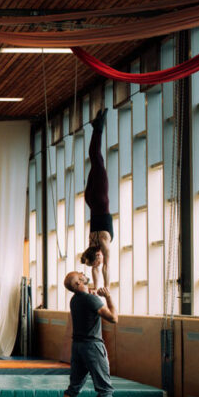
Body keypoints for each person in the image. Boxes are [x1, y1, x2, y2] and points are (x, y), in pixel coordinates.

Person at [55, 271, 119, 397]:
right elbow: (113, 318)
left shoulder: (75, 300)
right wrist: (109, 297)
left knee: (74, 387)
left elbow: (88, 304)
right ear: (77, 284)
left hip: (77, 347)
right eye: (79, 275)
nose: (83, 274)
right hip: (92, 346)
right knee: (105, 388)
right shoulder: (91, 299)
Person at [80, 109, 112, 291]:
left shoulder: (103, 243)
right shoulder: (91, 243)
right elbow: (96, 268)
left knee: (96, 157)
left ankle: (98, 127)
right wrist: (97, 287)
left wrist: (105, 287)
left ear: (97, 256)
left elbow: (104, 267)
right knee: (94, 159)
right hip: (91, 201)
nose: (99, 263)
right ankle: (96, 127)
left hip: (99, 200)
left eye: (97, 261)